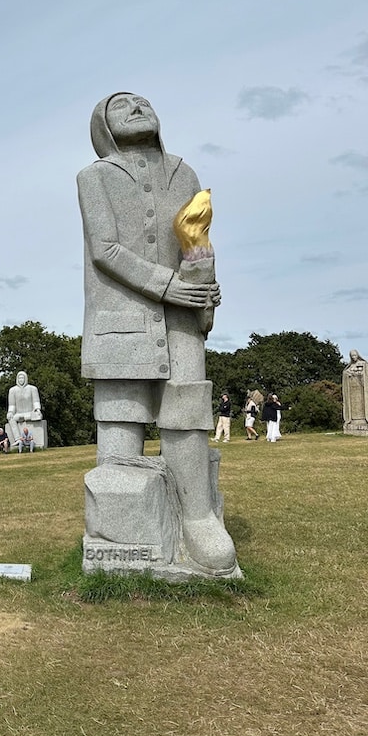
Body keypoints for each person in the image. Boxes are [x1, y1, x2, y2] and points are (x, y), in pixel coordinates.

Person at [77, 91, 237, 575]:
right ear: (102, 125)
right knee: (120, 421)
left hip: (182, 319)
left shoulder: (184, 173)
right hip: (119, 317)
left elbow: (197, 237)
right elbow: (104, 248)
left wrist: (204, 289)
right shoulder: (94, 177)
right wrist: (168, 286)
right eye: (122, 105)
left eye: (144, 102)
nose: (137, 107)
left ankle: (198, 517)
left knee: (187, 410)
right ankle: (120, 542)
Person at [342, 349, 368, 435]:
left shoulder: (364, 364)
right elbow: (345, 372)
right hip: (352, 391)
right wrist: (347, 374)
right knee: (354, 406)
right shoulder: (350, 366)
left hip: (362, 390)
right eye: (352, 356)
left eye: (355, 355)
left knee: (362, 404)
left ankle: (365, 420)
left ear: (358, 355)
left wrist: (360, 373)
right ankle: (353, 421)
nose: (353, 357)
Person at [6, 371, 43, 445]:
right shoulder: (12, 390)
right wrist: (10, 412)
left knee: (38, 415)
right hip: (18, 414)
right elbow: (12, 405)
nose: (21, 379)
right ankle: (18, 439)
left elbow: (36, 402)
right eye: (19, 378)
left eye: (22, 377)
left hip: (30, 413)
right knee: (10, 418)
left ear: (25, 378)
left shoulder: (32, 389)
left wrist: (37, 409)